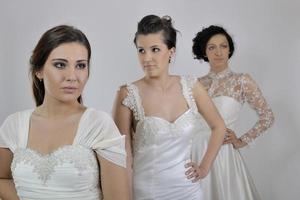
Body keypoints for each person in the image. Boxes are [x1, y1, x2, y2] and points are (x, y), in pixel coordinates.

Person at [0, 25, 130, 200]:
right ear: (38, 70)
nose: (72, 76)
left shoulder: (98, 124)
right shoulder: (14, 125)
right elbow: (2, 178)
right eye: (60, 65)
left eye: (81, 65)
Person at [112, 15, 226, 200]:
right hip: (146, 191)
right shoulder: (127, 94)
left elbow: (219, 127)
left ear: (171, 52)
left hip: (189, 190)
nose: (147, 58)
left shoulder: (192, 86)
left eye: (155, 49)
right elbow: (123, 156)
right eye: (141, 50)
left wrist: (204, 167)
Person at [192, 25, 275, 200]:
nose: (218, 52)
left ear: (229, 50)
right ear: (204, 52)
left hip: (223, 155)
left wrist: (241, 141)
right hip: (195, 152)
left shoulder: (241, 80)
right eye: (212, 47)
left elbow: (267, 116)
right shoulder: (196, 84)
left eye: (223, 46)